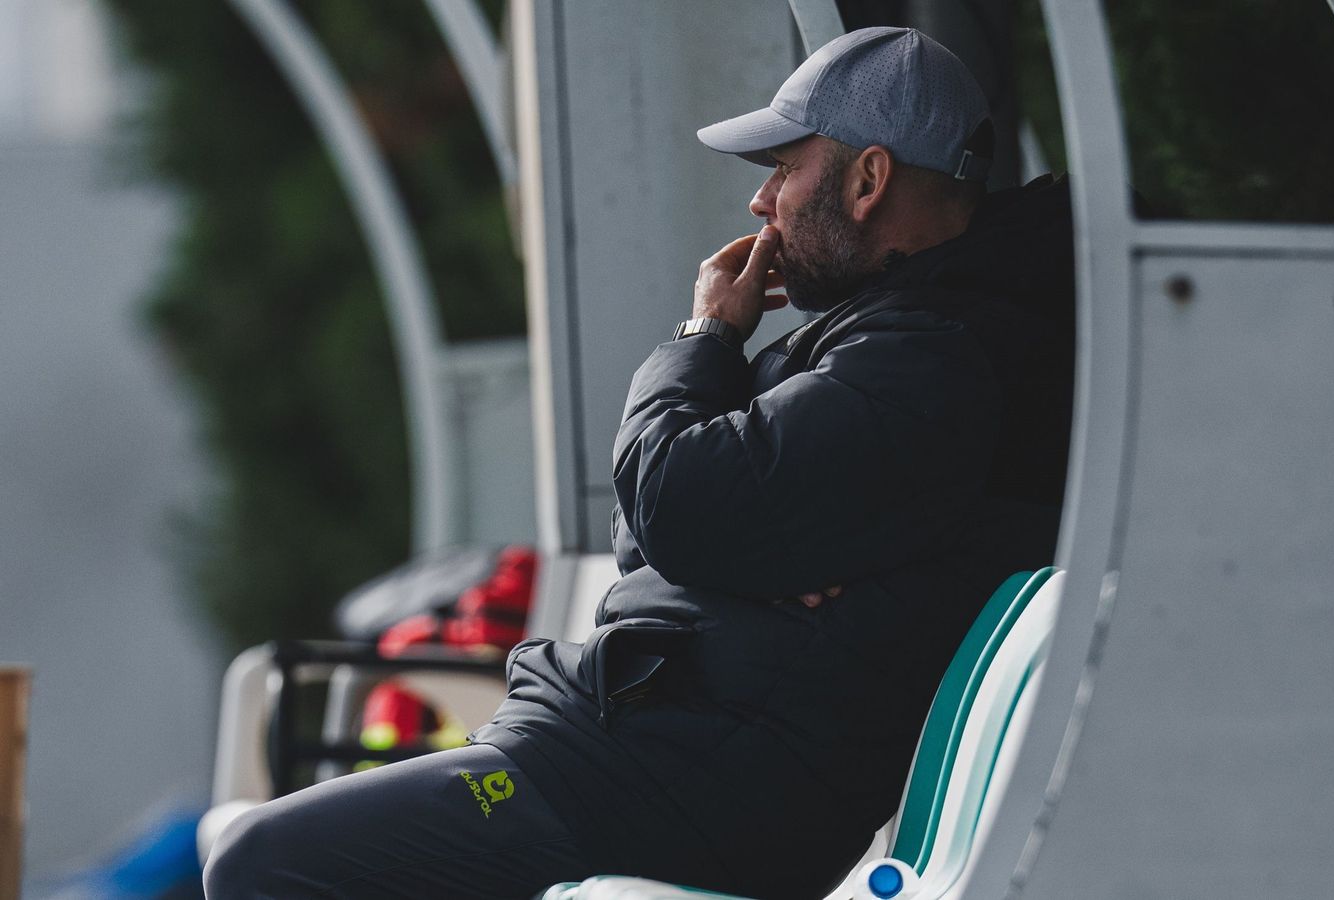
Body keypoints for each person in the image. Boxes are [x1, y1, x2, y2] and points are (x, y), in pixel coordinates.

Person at [204, 26, 1072, 899]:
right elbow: (651, 527)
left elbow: (670, 500)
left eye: (783, 166)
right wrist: (723, 541)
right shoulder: (893, 338)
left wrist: (708, 337)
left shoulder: (925, 357)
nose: (761, 204)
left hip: (654, 783)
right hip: (635, 756)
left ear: (868, 180)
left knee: (263, 863)